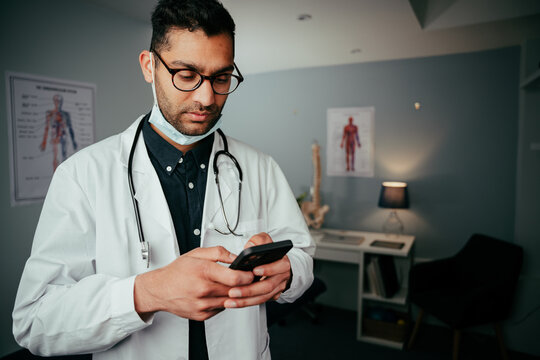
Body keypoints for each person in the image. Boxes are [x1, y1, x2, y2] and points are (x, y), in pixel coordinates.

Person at [12, 1, 314, 359]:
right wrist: (146, 293)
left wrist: (288, 273)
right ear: (149, 66)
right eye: (187, 75)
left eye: (221, 78)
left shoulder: (260, 167)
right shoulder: (82, 175)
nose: (206, 97)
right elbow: (35, 320)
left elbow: (302, 254)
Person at [40, 94, 78, 171]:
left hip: (63, 136)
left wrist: (73, 141)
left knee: (64, 158)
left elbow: (70, 128)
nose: (58, 103)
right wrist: (44, 142)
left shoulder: (66, 114)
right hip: (54, 137)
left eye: (60, 101)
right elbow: (47, 128)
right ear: (54, 101)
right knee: (55, 158)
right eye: (57, 101)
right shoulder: (50, 114)